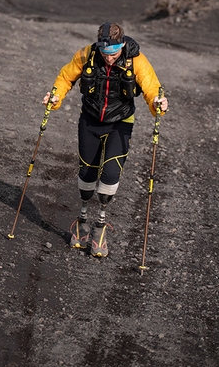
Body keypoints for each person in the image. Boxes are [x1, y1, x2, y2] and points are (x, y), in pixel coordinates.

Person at [43, 22, 168, 258]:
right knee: (87, 172)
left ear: (122, 45)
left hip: (120, 123)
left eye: (113, 53)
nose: (109, 59)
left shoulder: (136, 60)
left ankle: (100, 226)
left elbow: (152, 88)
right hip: (90, 121)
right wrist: (55, 96)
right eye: (104, 53)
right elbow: (65, 77)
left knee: (110, 174)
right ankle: (82, 221)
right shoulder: (87, 55)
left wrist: (157, 104)